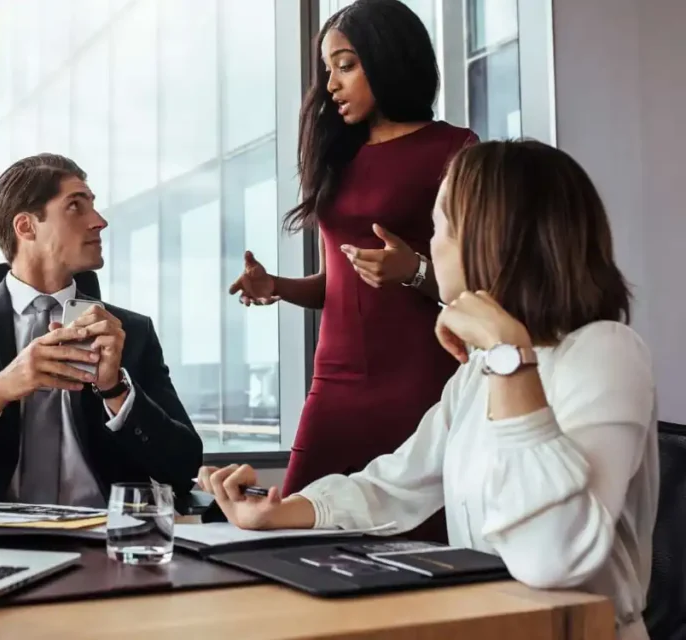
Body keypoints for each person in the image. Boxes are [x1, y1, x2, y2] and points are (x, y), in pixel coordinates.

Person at [202, 140, 659, 640]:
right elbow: (396, 484)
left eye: (440, 225)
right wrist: (280, 511)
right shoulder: (480, 369)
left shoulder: (604, 353)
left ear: (494, 237)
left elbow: (548, 556)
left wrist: (508, 353)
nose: (431, 243)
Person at [227, 0, 476, 541]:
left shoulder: (454, 150)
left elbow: (478, 288)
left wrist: (415, 272)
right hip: (334, 381)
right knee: (289, 529)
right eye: (326, 70)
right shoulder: (339, 158)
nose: (331, 84)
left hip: (418, 379)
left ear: (387, 58)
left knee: (417, 542)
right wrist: (277, 286)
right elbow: (339, 282)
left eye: (345, 65)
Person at [0, 153, 202, 507]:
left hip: (101, 539)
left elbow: (184, 467)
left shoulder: (129, 332)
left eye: (94, 206)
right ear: (26, 227)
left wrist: (115, 389)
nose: (100, 222)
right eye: (76, 206)